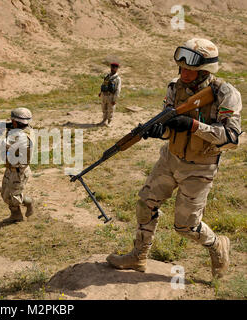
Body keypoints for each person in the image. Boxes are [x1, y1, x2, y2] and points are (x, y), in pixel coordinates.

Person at [106, 38, 242, 279]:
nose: (184, 73)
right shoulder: (174, 87)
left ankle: (217, 244)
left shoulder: (225, 94)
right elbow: (170, 127)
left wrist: (194, 126)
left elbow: (231, 138)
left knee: (186, 226)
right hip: (170, 160)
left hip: (200, 169)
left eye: (191, 68)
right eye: (182, 67)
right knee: (145, 204)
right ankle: (138, 256)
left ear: (205, 69)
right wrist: (161, 131)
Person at [0, 108, 35, 222]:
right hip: (11, 168)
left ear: (15, 122)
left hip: (19, 171)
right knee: (5, 194)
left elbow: (1, 145)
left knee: (14, 197)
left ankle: (29, 203)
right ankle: (16, 215)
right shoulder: (21, 131)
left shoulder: (22, 137)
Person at [98, 62, 122, 127]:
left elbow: (118, 90)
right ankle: (104, 120)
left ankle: (109, 122)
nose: (112, 69)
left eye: (114, 67)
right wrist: (100, 92)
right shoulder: (107, 76)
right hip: (104, 95)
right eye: (111, 67)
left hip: (111, 96)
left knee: (110, 110)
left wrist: (115, 99)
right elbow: (103, 84)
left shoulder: (118, 78)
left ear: (117, 69)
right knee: (104, 108)